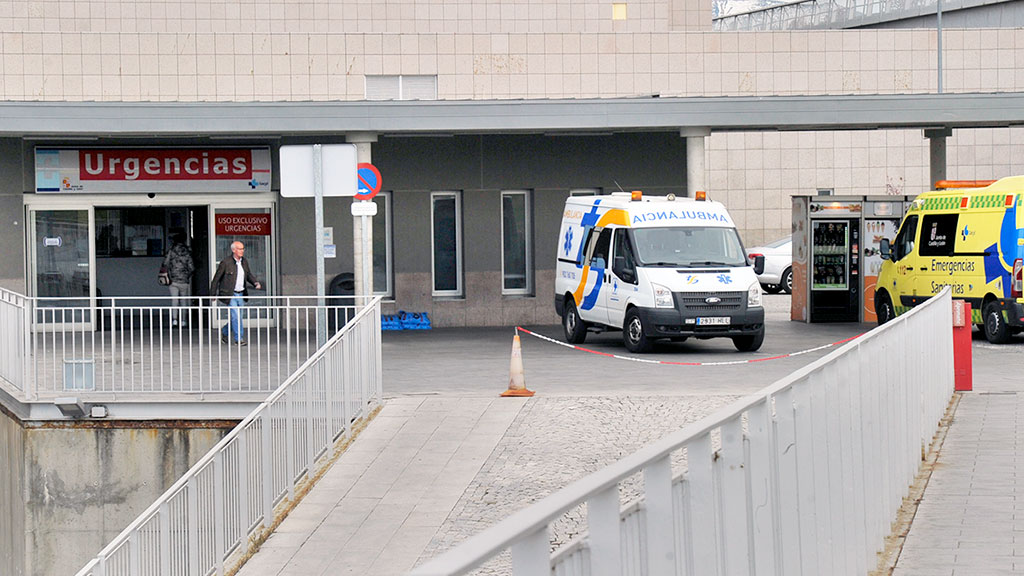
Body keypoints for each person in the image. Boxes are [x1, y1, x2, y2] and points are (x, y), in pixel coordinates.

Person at [210, 241, 262, 346]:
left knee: (237, 318)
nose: (242, 251)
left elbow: (248, 274)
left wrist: (255, 282)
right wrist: (213, 294)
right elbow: (216, 279)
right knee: (236, 317)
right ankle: (239, 339)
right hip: (230, 294)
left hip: (241, 293)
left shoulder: (244, 261)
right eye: (239, 249)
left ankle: (225, 331)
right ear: (233, 250)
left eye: (243, 249)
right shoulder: (226, 262)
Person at [162, 232, 195, 327]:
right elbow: (192, 267)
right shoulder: (187, 251)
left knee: (174, 300)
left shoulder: (171, 251)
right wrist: (187, 275)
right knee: (184, 301)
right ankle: (183, 320)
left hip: (173, 280)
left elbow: (165, 263)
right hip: (184, 280)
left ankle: (175, 320)